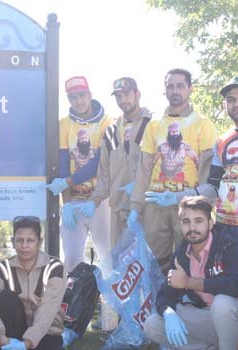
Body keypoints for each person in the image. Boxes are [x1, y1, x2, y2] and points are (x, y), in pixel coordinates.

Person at [148, 77, 238, 291]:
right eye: (231, 99)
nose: (237, 103)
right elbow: (212, 188)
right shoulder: (221, 141)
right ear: (225, 106)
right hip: (224, 229)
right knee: (229, 290)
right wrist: (177, 197)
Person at [129, 68, 216, 273]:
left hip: (187, 205)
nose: (174, 90)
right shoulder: (154, 125)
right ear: (164, 90)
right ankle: (158, 303)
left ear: (190, 89)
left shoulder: (202, 124)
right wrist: (135, 206)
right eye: (170, 86)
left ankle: (186, 302)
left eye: (180, 86)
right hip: (155, 204)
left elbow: (206, 167)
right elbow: (144, 168)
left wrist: (202, 204)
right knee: (154, 263)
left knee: (189, 259)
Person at [144, 196, 238, 349]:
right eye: (186, 221)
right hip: (206, 318)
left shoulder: (229, 245)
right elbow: (165, 295)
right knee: (153, 324)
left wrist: (189, 282)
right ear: (180, 225)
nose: (192, 228)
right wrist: (168, 313)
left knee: (221, 304)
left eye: (198, 221)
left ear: (210, 223)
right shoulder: (181, 255)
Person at [46, 76, 113, 272]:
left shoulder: (107, 123)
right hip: (74, 200)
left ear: (90, 95)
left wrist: (67, 181)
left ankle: (113, 302)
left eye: (82, 95)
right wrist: (66, 204)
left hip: (100, 202)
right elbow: (64, 162)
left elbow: (99, 164)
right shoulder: (64, 124)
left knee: (108, 258)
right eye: (73, 97)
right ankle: (73, 301)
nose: (78, 101)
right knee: (72, 260)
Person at [78, 77, 152, 248]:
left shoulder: (152, 125)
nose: (122, 100)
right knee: (120, 264)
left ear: (137, 94)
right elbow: (104, 173)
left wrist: (140, 187)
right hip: (118, 209)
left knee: (149, 265)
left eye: (126, 95)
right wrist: (94, 200)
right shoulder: (110, 131)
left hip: (147, 209)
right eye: (118, 96)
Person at [0, 216, 66, 350]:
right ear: (13, 242)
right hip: (14, 334)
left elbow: (48, 309)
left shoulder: (54, 267)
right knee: (5, 299)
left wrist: (27, 343)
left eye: (30, 240)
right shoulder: (4, 268)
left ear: (40, 242)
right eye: (19, 240)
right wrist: (1, 338)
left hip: (46, 333)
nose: (24, 245)